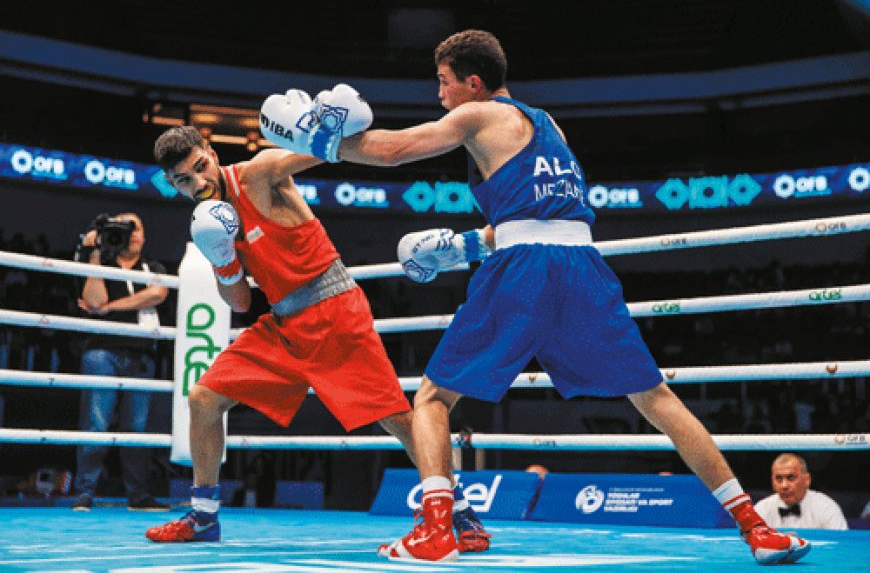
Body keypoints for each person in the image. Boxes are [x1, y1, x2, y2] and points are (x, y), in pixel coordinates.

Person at [260, 29, 810, 564]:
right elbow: (541, 218)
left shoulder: (478, 114)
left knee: (430, 400)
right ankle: (755, 528)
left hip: (526, 271)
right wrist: (462, 246)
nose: (440, 94)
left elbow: (395, 151)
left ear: (473, 83)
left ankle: (436, 531)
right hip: (582, 267)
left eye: (444, 83)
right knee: (657, 399)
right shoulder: (548, 126)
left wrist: (318, 140)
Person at [145, 126, 489, 551]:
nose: (198, 183)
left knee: (395, 417)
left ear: (211, 154)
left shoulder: (258, 173)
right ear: (172, 184)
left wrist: (330, 125)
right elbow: (237, 302)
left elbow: (324, 153)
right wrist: (222, 258)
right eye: (183, 180)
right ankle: (203, 517)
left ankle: (459, 513)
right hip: (284, 324)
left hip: (334, 311)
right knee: (203, 399)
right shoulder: (208, 222)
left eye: (200, 168)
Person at [72, 213, 170, 512]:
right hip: (102, 351)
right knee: (95, 423)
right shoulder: (100, 264)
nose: (131, 233)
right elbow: (94, 298)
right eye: (123, 228)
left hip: (141, 355)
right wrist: (96, 254)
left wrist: (108, 309)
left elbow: (156, 294)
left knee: (137, 429)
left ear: (143, 234)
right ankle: (85, 493)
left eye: (135, 227)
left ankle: (138, 496)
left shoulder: (152, 267)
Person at [755, 453, 848, 530]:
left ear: (807, 479)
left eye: (791, 478)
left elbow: (841, 546)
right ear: (772, 481)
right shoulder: (761, 510)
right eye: (778, 479)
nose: (784, 485)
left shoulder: (826, 508)